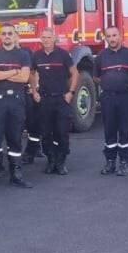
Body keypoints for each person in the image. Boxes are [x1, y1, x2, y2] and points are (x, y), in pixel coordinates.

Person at [0, 23, 33, 190]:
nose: (6, 36)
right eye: (3, 33)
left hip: (17, 101)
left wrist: (2, 75)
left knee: (15, 138)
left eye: (10, 33)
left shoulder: (23, 55)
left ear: (15, 36)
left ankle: (16, 175)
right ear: (0, 36)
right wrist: (13, 72)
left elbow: (25, 78)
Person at [31, 28, 78, 176]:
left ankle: (61, 162)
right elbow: (31, 74)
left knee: (62, 132)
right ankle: (51, 161)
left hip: (61, 99)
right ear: (40, 39)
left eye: (49, 37)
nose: (46, 40)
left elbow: (75, 73)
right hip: (45, 99)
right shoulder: (36, 56)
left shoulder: (63, 54)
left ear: (54, 38)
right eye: (43, 37)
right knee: (46, 133)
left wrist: (71, 93)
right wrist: (34, 91)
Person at [93, 26, 128, 176]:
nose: (112, 39)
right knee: (109, 130)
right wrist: (109, 83)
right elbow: (96, 76)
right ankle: (110, 162)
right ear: (105, 38)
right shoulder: (101, 56)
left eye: (114, 35)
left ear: (120, 36)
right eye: (109, 36)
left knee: (125, 130)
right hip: (108, 98)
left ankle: (124, 162)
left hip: (126, 98)